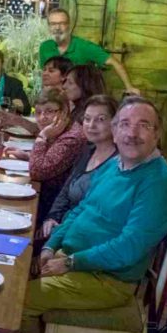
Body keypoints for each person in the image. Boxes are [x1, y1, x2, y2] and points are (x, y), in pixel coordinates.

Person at [11, 97, 167, 333]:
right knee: (12, 268)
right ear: (115, 131)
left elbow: (129, 248)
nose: (132, 133)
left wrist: (72, 262)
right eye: (124, 124)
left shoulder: (158, 182)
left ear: (158, 133)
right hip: (74, 259)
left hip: (108, 278)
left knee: (16, 301)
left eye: (143, 125)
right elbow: (79, 210)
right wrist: (52, 245)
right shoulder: (117, 165)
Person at [40, 95, 118, 239]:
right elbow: (66, 189)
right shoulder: (88, 150)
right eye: (87, 119)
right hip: (62, 227)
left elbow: (94, 215)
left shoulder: (117, 163)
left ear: (115, 123)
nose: (91, 125)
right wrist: (52, 217)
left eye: (100, 119)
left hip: (82, 237)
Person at [9, 88, 87, 224]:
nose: (42, 117)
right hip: (43, 196)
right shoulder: (61, 129)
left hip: (52, 209)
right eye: (38, 112)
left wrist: (42, 136)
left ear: (63, 112)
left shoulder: (71, 138)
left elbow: (38, 172)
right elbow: (50, 159)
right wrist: (28, 156)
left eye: (49, 111)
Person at [39, 8, 139, 94]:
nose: (57, 27)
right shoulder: (45, 47)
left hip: (79, 97)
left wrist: (129, 87)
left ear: (69, 25)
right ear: (49, 26)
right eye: (53, 24)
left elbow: (115, 63)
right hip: (54, 96)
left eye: (62, 23)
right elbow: (44, 75)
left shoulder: (85, 47)